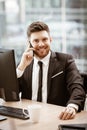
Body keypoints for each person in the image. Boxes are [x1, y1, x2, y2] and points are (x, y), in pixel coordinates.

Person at [17, 21, 86, 120]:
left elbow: (77, 87)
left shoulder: (65, 61)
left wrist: (72, 106)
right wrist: (21, 68)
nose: (41, 44)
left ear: (50, 39)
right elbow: (10, 91)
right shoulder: (23, 63)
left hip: (56, 117)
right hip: (29, 117)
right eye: (36, 41)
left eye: (44, 39)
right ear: (29, 43)